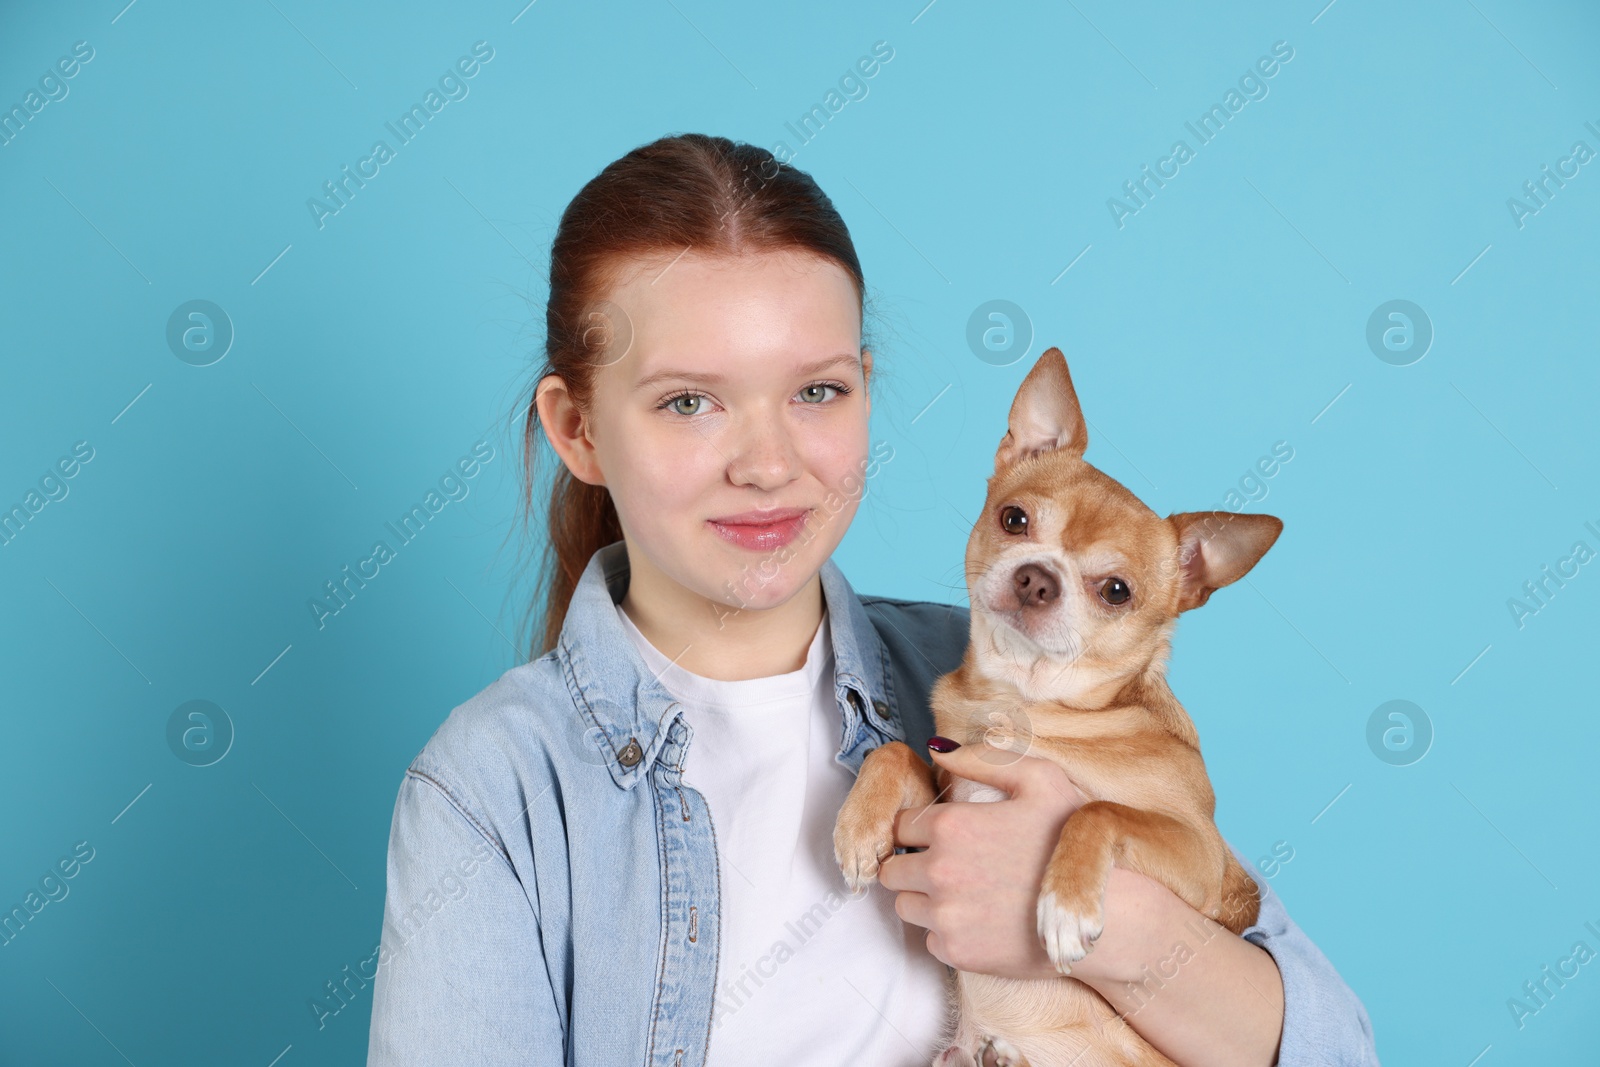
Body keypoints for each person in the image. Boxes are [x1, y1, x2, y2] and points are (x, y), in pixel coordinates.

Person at [366, 132, 1378, 1066]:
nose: (767, 463)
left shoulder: (1004, 679)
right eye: (689, 401)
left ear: (866, 388)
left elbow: (1331, 1044)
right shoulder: (496, 790)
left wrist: (1109, 918)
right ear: (576, 429)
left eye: (815, 391)